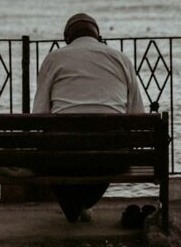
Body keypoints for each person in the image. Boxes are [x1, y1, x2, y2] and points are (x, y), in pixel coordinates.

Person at [32, 12, 146, 223]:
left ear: (67, 39)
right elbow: (137, 113)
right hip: (111, 157)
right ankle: (81, 205)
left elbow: (39, 114)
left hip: (63, 155)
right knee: (108, 151)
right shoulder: (121, 59)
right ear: (98, 36)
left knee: (47, 154)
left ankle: (73, 207)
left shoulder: (54, 58)